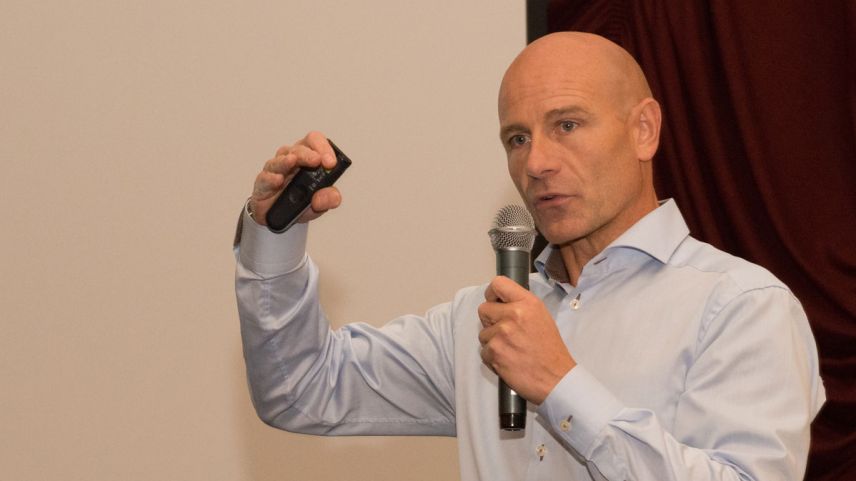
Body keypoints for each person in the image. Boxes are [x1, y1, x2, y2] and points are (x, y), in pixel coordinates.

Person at [234, 32, 825, 480]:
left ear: (644, 130)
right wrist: (273, 233)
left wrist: (561, 386)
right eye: (517, 138)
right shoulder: (483, 319)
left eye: (566, 124)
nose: (536, 163)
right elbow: (302, 389)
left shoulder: (741, 307)